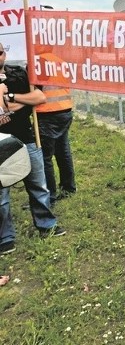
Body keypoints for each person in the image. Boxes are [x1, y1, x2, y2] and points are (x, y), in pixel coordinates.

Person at [0, 43, 65, 256]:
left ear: (4, 53)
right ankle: (6, 238)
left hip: (26, 137)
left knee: (39, 185)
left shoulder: (17, 73)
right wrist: (16, 103)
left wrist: (10, 97)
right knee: (2, 195)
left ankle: (47, 225)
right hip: (1, 143)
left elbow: (38, 98)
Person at [35, 85, 77, 204]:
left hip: (47, 111)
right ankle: (68, 188)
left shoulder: (38, 66)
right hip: (64, 108)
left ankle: (48, 196)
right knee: (63, 151)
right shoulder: (62, 65)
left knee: (45, 156)